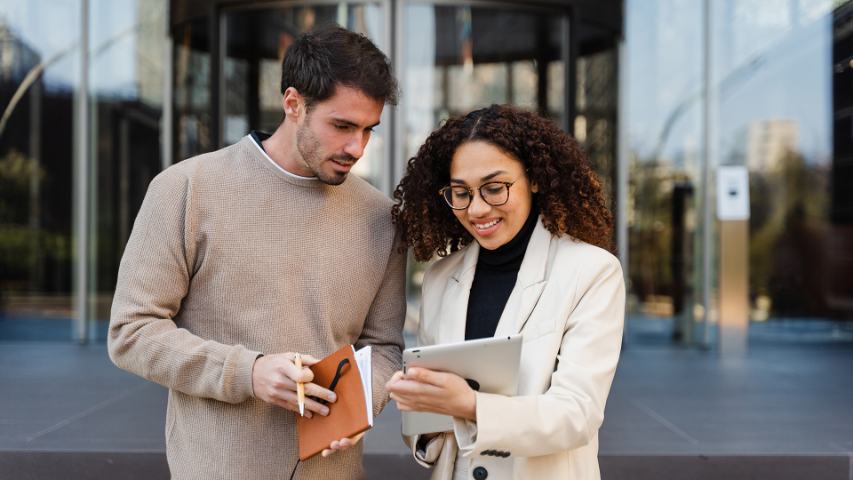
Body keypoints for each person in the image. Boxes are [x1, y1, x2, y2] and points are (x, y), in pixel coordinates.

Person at [108, 25, 405, 480]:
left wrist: (362, 403)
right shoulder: (186, 189)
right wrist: (249, 372)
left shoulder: (381, 218)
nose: (357, 147)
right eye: (343, 126)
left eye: (368, 130)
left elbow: (383, 347)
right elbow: (131, 331)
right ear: (293, 104)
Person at [387, 104, 625, 480]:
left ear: (534, 179)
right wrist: (422, 405)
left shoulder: (591, 272)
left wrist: (469, 405)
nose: (477, 209)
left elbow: (577, 414)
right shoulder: (439, 278)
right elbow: (426, 430)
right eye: (461, 193)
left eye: (495, 188)